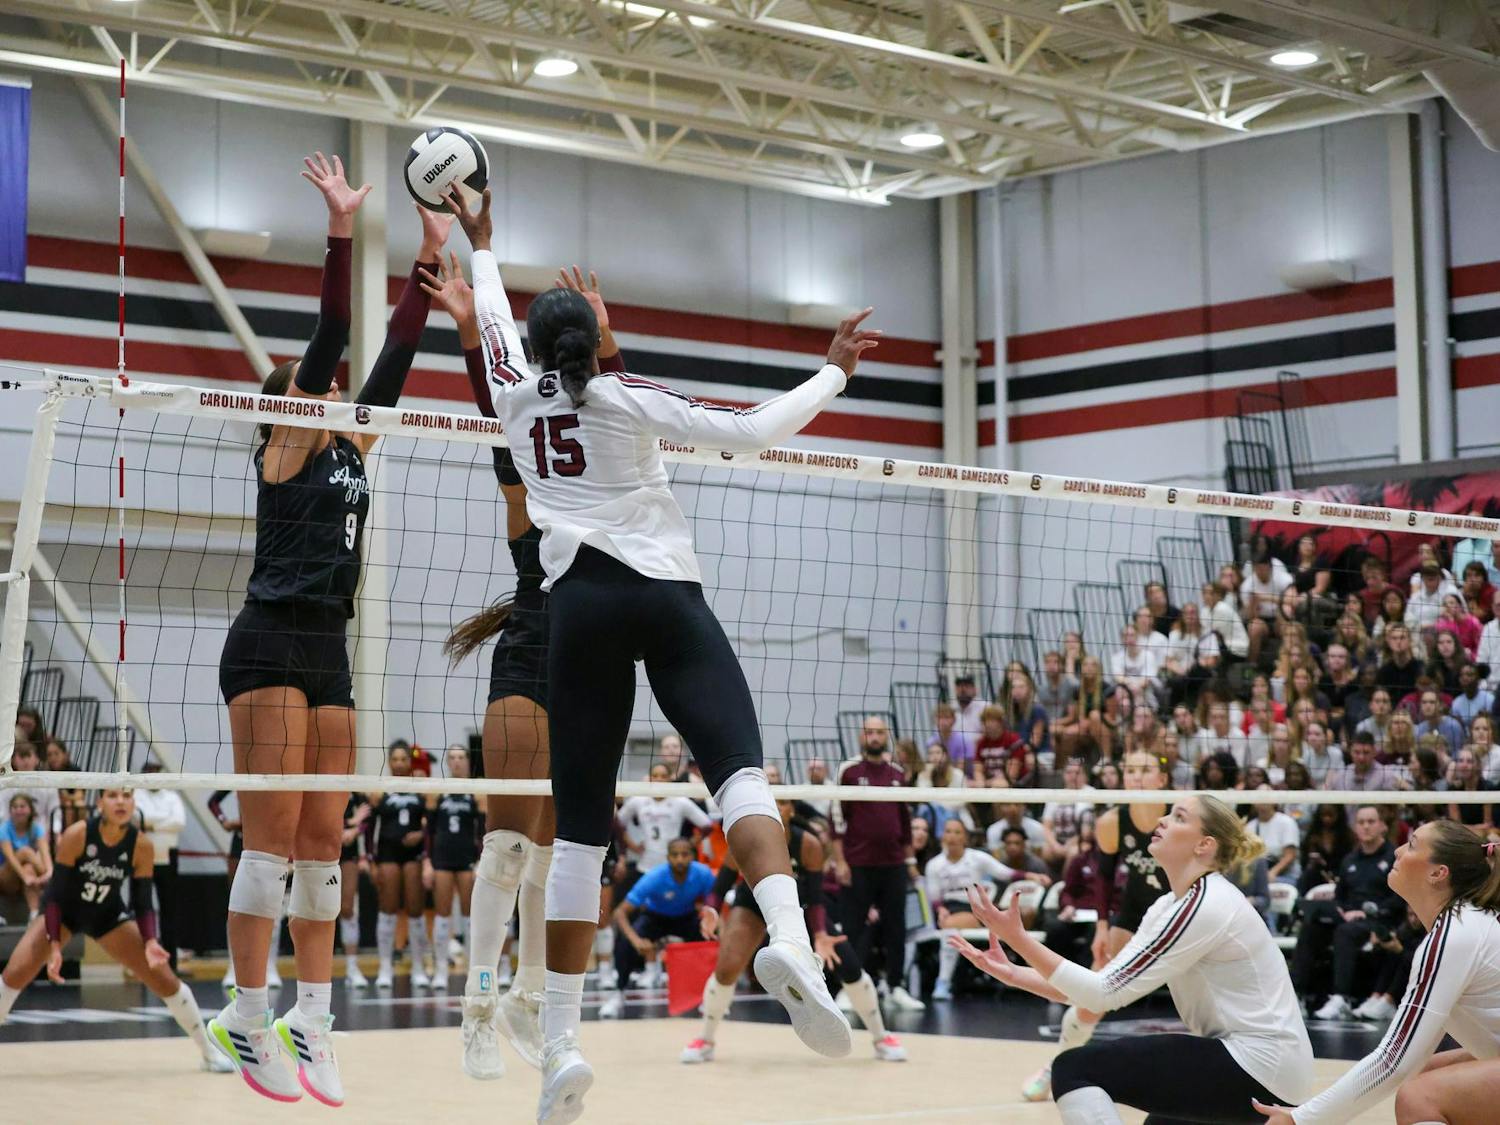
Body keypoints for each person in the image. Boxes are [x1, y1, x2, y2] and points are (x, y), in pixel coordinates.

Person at [453, 186, 865, 1122]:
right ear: (595, 342)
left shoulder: (514, 403)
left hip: (579, 611)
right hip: (669, 600)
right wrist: (834, 370)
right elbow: (756, 429)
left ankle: (560, 1041)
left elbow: (488, 323)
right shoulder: (631, 399)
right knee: (739, 777)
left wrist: (483, 244)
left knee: (581, 835)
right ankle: (792, 942)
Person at [212, 153, 450, 1106]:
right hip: (269, 638)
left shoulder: (352, 441)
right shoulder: (289, 440)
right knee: (267, 845)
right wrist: (344, 228)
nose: (332, 386)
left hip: (330, 648)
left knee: (322, 844)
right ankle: (245, 1007)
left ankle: (311, 1015)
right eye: (312, 386)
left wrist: (430, 264)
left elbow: (387, 355)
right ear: (283, 409)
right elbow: (331, 334)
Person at [424, 255, 630, 1079]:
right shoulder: (531, 451)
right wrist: (473, 326)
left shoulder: (616, 449)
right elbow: (498, 405)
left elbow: (624, 399)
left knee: (562, 852)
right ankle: (477, 1003)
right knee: (510, 845)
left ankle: (532, 996)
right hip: (532, 640)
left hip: (595, 653)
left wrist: (606, 335)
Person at [957, 794, 1315, 1123]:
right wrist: (1014, 973)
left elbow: (1100, 994)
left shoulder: (1207, 904)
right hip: (1259, 1066)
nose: (1161, 819)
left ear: (1205, 845)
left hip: (1260, 1065)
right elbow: (1098, 987)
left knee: (1074, 1068)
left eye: (1178, 817)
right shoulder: (1168, 905)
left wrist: (1019, 938)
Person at [1254, 819, 1500, 1124]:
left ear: (1438, 873)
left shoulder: (1456, 934)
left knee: (1419, 1096)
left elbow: (1392, 1059)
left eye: (1411, 845)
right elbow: (1409, 1057)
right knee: (1427, 1072)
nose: (1397, 851)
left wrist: (1300, 1119)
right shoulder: (1470, 923)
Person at [0, 790, 233, 1077]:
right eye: (112, 796)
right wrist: (55, 946)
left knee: (164, 978)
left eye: (126, 796)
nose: (121, 802)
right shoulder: (78, 834)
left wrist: (149, 941)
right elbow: (56, 895)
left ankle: (209, 1054)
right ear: (100, 804)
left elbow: (143, 901)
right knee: (15, 973)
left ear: (133, 803)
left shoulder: (141, 845)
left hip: (106, 915)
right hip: (65, 913)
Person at [682, 805, 905, 1064]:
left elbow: (816, 897)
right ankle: (706, 1039)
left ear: (791, 810)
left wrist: (820, 933)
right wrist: (712, 907)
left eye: (783, 802)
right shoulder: (746, 837)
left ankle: (881, 1036)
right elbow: (723, 881)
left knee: (848, 965)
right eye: (771, 801)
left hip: (799, 909)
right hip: (753, 904)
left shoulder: (808, 844)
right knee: (727, 968)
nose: (776, 807)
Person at [1021, 748, 1167, 1103]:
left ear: (1162, 779)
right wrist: (1102, 926)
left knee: (1202, 998)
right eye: (1130, 769)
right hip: (1133, 911)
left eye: (1145, 769)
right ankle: (1056, 1066)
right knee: (1094, 992)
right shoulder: (1111, 821)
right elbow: (1102, 879)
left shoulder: (1179, 816)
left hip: (1179, 910)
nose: (1136, 776)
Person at [832, 716, 924, 1012]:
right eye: (869, 732)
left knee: (896, 928)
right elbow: (836, 819)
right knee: (853, 929)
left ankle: (895, 986)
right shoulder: (848, 770)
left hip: (893, 863)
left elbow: (904, 821)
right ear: (862, 737)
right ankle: (849, 988)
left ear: (887, 737)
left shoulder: (897, 773)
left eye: (879, 732)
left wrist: (910, 860)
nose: (874, 737)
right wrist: (840, 860)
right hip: (857, 863)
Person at [1293, 805, 1403, 1021]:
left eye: (1371, 821)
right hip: (1350, 919)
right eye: (1361, 822)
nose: (1365, 826)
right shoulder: (1350, 860)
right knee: (1311, 928)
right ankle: (1297, 995)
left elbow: (1399, 899)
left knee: (1345, 932)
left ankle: (1341, 998)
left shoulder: (1393, 858)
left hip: (1380, 920)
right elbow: (1340, 895)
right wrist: (1342, 910)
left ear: (1382, 826)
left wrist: (1368, 912)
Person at [600, 837, 716, 1014]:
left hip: (686, 917)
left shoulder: (703, 874)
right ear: (668, 857)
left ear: (692, 856)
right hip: (655, 918)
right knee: (625, 945)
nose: (679, 859)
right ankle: (618, 994)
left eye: (684, 854)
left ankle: (708, 996)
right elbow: (620, 913)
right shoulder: (655, 877)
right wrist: (636, 940)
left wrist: (713, 922)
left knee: (710, 940)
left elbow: (714, 903)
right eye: (675, 855)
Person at [924, 818, 1024, 999]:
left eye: (957, 832)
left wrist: (1031, 875)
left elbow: (1004, 872)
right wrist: (940, 909)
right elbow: (934, 896)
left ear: (965, 838)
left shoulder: (976, 858)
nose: (952, 836)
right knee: (949, 926)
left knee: (949, 926)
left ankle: (943, 982)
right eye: (948, 831)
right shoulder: (934, 865)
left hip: (974, 909)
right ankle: (944, 982)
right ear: (942, 837)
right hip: (948, 909)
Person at [367, 745, 430, 989]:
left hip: (413, 854)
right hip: (388, 853)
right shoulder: (381, 790)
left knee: (415, 909)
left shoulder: (420, 789)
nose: (400, 762)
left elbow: (431, 825)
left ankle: (418, 966)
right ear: (390, 762)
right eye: (395, 758)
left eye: (404, 758)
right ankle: (384, 966)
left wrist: (420, 835)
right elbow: (371, 827)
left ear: (409, 762)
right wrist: (370, 859)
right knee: (388, 907)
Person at [425, 745, 481, 991]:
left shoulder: (477, 792)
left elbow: (483, 830)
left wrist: (481, 860)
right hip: (443, 859)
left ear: (468, 761)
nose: (457, 762)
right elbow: (429, 831)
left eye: (461, 757)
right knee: (443, 914)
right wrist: (427, 861)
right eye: (453, 758)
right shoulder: (439, 792)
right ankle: (439, 969)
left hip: (468, 859)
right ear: (448, 762)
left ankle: (471, 969)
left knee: (470, 916)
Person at [618, 763, 716, 878]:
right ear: (649, 778)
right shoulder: (638, 800)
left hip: (672, 866)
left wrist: (690, 844)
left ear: (670, 778)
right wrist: (633, 846)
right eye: (655, 776)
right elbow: (617, 826)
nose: (659, 779)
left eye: (663, 776)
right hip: (645, 865)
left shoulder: (680, 801)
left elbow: (708, 825)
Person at [133, 762, 186, 970]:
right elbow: (135, 819)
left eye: (157, 773)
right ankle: (139, 962)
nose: (154, 777)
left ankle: (171, 963)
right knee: (142, 906)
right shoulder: (136, 794)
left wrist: (151, 824)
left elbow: (179, 822)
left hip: (168, 856)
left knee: (169, 910)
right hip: (142, 856)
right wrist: (163, 823)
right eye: (150, 774)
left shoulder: (172, 796)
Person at [337, 793, 369, 988]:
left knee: (348, 908)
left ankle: (352, 967)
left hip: (348, 853)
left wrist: (356, 829)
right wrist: (350, 821)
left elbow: (370, 815)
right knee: (317, 910)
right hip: (320, 848)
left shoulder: (354, 792)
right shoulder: (319, 781)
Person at [0, 794, 50, 918]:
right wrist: (25, 876)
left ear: (30, 809)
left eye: (22, 806)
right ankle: (49, 881)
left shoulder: (37, 829)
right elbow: (10, 857)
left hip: (28, 878)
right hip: (6, 878)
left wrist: (49, 871)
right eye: (15, 807)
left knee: (28, 868)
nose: (18, 810)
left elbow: (45, 853)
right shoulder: (4, 829)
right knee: (25, 852)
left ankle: (34, 914)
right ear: (10, 810)